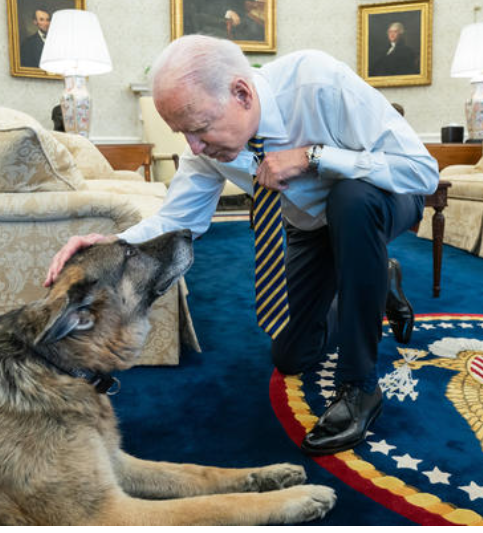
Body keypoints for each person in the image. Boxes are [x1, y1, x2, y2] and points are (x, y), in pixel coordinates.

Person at [44, 36, 438, 456]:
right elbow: (180, 221)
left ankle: (359, 386)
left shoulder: (320, 84)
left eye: (198, 129)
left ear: (241, 93)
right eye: (182, 133)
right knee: (291, 356)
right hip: (310, 226)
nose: (193, 147)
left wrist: (315, 156)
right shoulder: (206, 148)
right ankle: (381, 283)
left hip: (382, 198)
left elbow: (422, 173)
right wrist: (112, 244)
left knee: (351, 201)